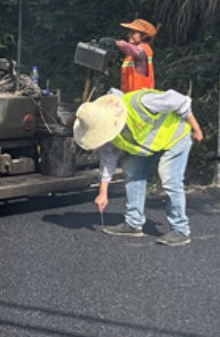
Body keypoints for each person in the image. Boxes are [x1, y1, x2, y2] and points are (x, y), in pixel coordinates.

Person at [74, 88, 204, 246]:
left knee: (169, 178)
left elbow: (180, 101)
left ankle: (180, 230)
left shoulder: (140, 103)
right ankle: (133, 223)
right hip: (147, 146)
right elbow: (107, 161)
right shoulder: (108, 136)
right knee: (132, 171)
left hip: (175, 137)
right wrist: (103, 193)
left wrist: (196, 129)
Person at [99, 18, 157, 92]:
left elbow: (135, 51)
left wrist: (116, 43)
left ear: (144, 36)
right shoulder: (131, 54)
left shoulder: (144, 49)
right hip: (132, 96)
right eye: (130, 32)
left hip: (140, 97)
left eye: (134, 33)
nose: (130, 35)